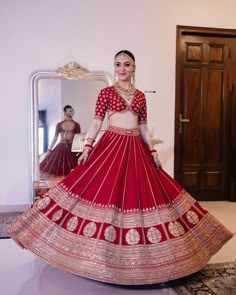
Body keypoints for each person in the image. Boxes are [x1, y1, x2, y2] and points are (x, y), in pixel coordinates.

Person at [6, 50, 233, 285]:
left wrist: (153, 150)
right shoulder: (106, 92)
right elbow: (96, 121)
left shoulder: (142, 96)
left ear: (134, 67)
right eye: (118, 64)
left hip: (135, 147)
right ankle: (99, 257)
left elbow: (143, 125)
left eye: (127, 64)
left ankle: (143, 260)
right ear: (114, 67)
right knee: (103, 192)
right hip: (112, 145)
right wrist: (87, 146)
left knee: (141, 194)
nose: (122, 68)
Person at [39, 105, 81, 178]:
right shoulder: (59, 124)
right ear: (64, 112)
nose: (70, 112)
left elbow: (78, 138)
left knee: (73, 170)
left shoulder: (77, 125)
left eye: (71, 110)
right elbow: (55, 137)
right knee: (57, 169)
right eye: (68, 110)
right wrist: (49, 149)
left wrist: (81, 149)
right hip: (60, 148)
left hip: (72, 149)